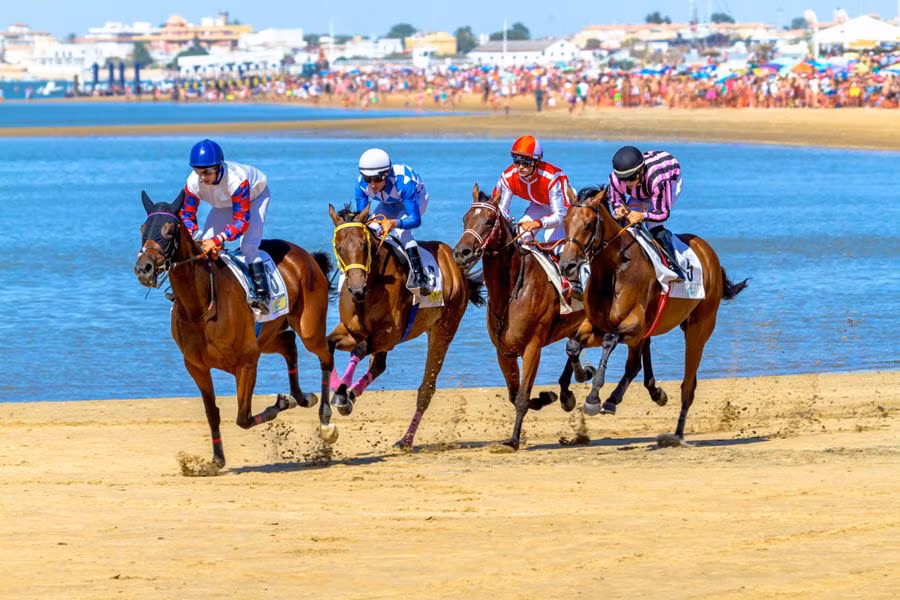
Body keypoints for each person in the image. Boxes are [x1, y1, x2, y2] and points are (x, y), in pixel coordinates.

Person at [179, 138, 273, 313]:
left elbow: (241, 222)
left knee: (248, 246)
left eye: (206, 172)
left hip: (254, 197)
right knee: (203, 245)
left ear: (218, 167)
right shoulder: (193, 182)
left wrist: (218, 239)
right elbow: (186, 214)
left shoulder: (236, 180)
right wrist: (194, 235)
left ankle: (263, 296)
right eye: (198, 171)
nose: (202, 177)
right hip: (225, 203)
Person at [354, 147, 432, 294]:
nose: (372, 184)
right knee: (372, 228)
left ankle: (420, 277)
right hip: (388, 204)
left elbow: (415, 220)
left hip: (415, 201)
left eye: (377, 179)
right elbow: (361, 220)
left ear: (387, 174)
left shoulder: (404, 182)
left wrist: (394, 223)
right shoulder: (360, 184)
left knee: (402, 232)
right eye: (367, 179)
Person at [607, 145, 686, 282]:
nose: (626, 183)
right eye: (623, 179)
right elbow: (616, 201)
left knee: (653, 225)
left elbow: (662, 213)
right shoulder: (616, 178)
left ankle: (674, 268)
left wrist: (643, 215)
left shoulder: (659, 180)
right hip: (642, 188)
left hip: (669, 181)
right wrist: (619, 209)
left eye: (630, 178)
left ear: (641, 171)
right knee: (623, 223)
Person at [495, 135, 572, 249]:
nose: (520, 167)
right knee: (520, 238)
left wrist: (537, 223)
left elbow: (560, 216)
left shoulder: (552, 177)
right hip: (539, 205)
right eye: (516, 161)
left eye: (526, 162)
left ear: (537, 162)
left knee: (555, 245)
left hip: (564, 209)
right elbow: (501, 210)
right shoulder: (507, 177)